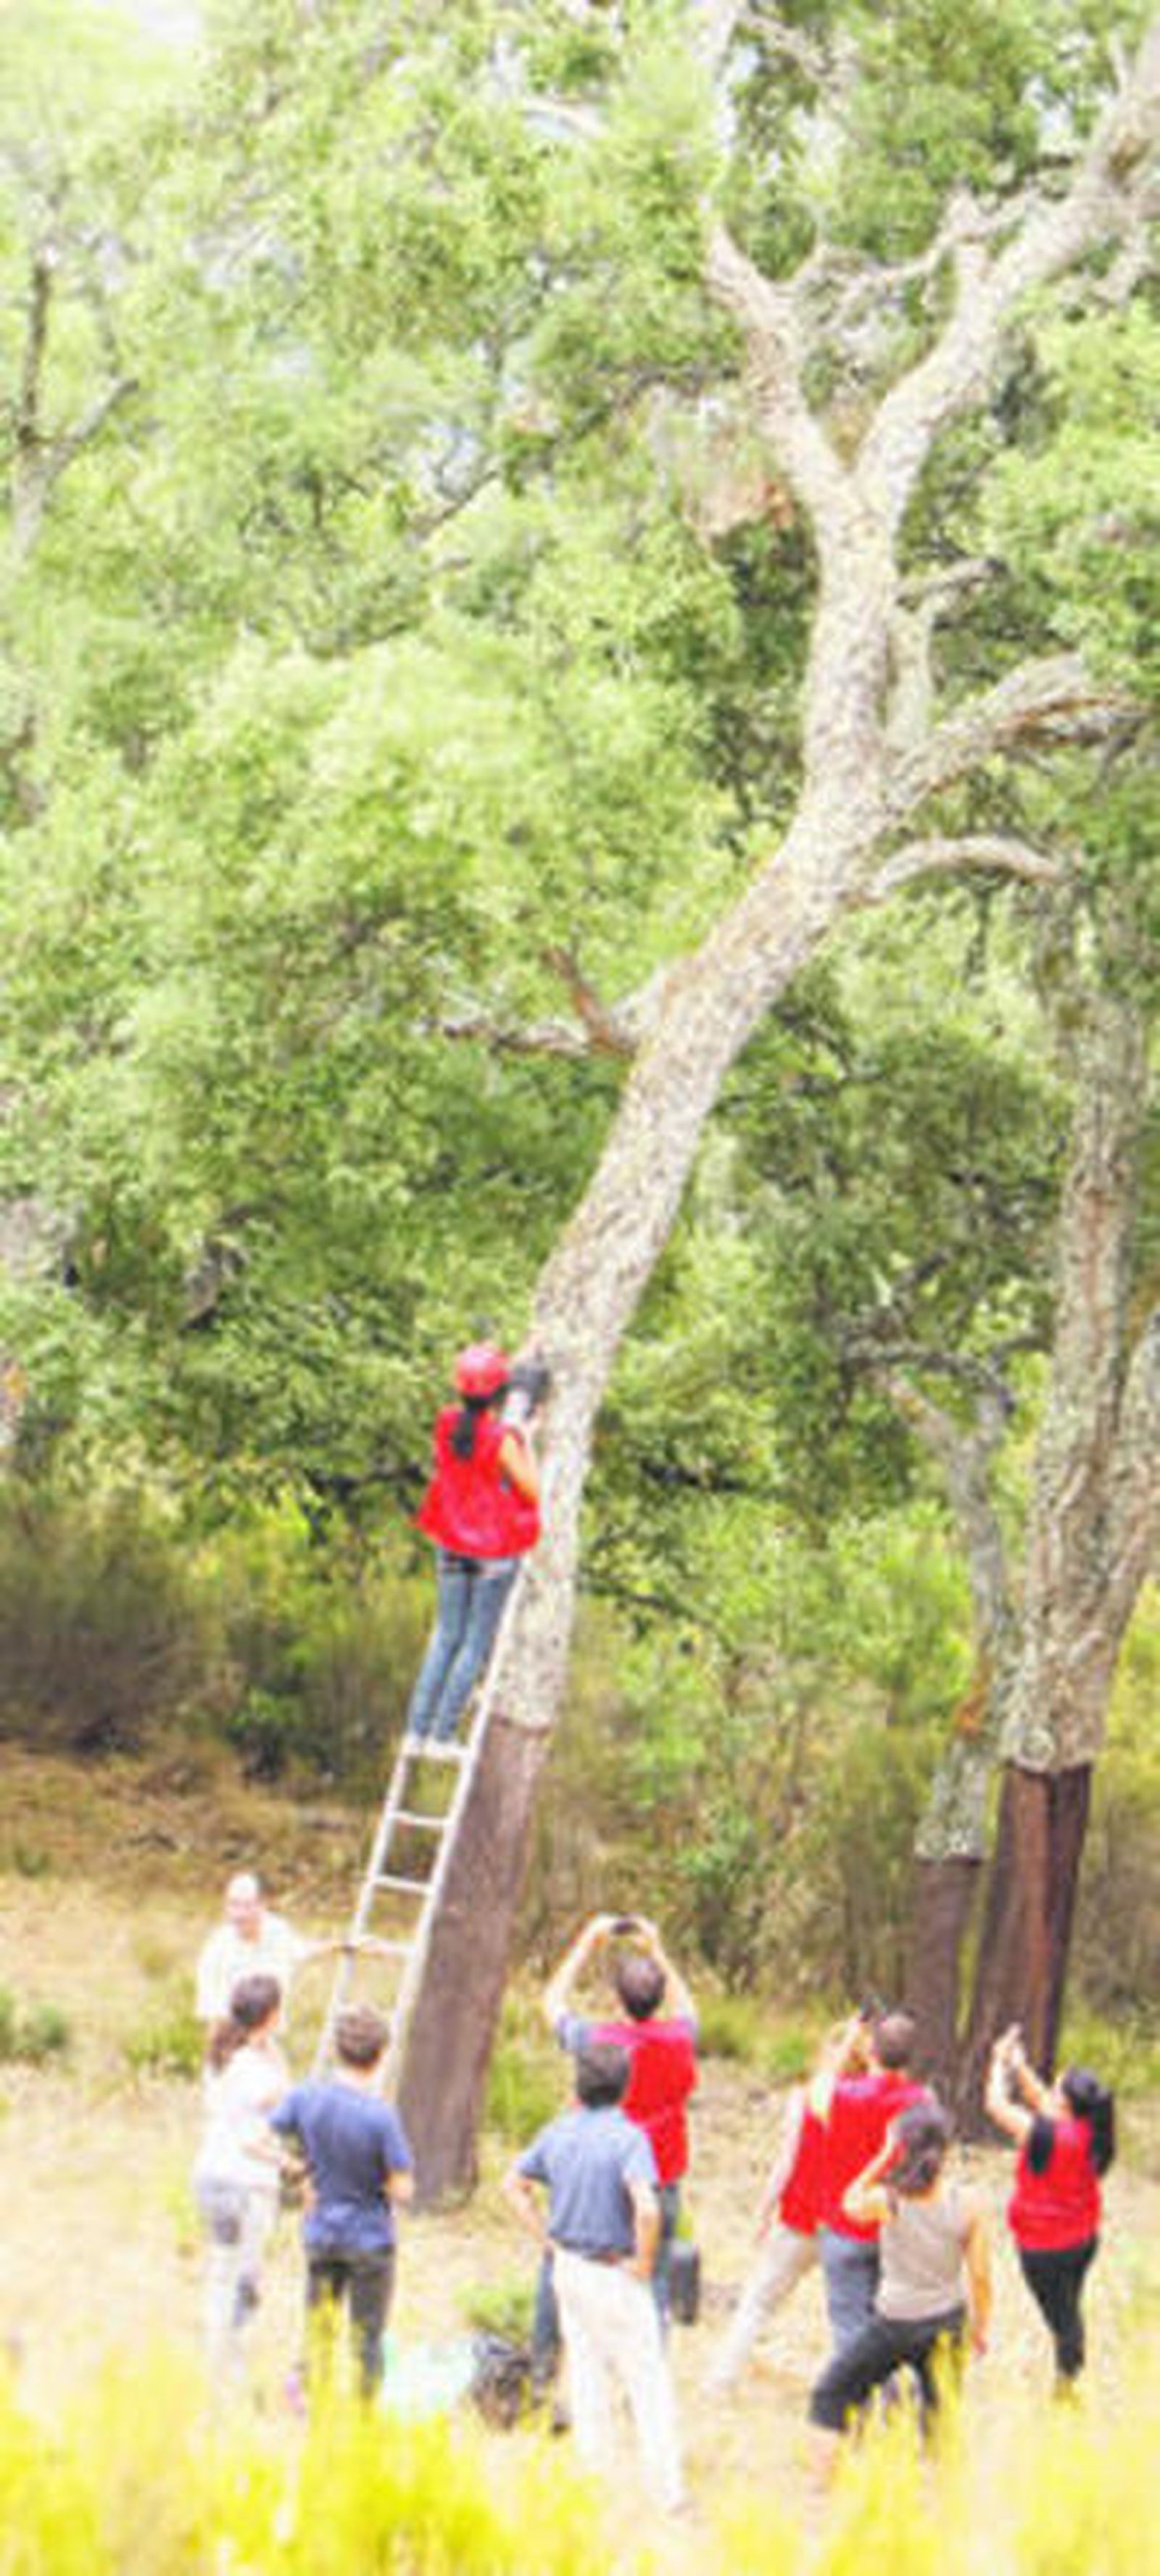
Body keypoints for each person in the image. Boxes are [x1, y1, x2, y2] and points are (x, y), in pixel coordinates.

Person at [503, 2041, 686, 2514]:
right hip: (613, 2269)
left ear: (577, 2085)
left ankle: (594, 2483)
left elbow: (514, 2185)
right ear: (625, 2088)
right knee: (647, 2381)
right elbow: (646, 2207)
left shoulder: (557, 2132)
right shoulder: (629, 2138)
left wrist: (545, 2236)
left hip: (568, 2267)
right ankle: (668, 2495)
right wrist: (644, 2262)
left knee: (586, 2375)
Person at [808, 2101, 991, 2472]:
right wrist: (980, 2327)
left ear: (902, 2148)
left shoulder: (887, 2199)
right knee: (941, 2420)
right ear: (947, 2149)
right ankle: (941, 2501)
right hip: (946, 2321)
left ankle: (821, 2487)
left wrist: (880, 2159)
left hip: (894, 2321)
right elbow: (981, 2277)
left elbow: (848, 2204)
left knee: (831, 2394)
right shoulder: (969, 2203)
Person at [544, 1912, 698, 2335]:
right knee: (655, 2285)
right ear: (659, 1998)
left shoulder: (599, 2041)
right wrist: (658, 1952)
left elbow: (552, 2004)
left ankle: (546, 2368)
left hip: (601, 2177)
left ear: (617, 1998)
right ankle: (648, 2377)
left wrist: (586, 1944)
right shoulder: (681, 2039)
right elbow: (689, 2009)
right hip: (660, 2178)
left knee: (568, 2266)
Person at [705, 2011, 873, 2395]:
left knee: (758, 2303)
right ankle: (857, 2389)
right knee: (853, 2316)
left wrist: (764, 2211)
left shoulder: (805, 2098)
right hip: (848, 2222)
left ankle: (720, 2380)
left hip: (800, 2215)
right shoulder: (873, 2102)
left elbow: (786, 2160)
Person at [269, 2002, 414, 2398]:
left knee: (319, 2327)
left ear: (337, 2050)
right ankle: (364, 2416)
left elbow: (258, 2135)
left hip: (321, 2233)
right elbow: (403, 2189)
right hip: (368, 2239)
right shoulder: (380, 2117)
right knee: (367, 2338)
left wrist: (295, 2168)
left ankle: (314, 2404)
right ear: (380, 2056)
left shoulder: (306, 2097)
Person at [405, 1342, 541, 1747]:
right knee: (474, 1644)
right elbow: (531, 1491)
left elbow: (469, 1440)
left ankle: (417, 1731)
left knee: (446, 1637)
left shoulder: (445, 1424)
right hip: (491, 1553)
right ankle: (443, 1734)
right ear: (500, 1394)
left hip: (450, 1543)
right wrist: (524, 1443)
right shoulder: (502, 1441)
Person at [985, 2024, 1114, 2389]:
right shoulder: (1092, 2130)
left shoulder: (1046, 2135)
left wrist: (997, 2064)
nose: (1050, 2090)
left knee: (1063, 2319)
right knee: (1068, 2306)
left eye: (1058, 2088)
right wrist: (1019, 2064)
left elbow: (996, 2105)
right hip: (1081, 2239)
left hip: (1044, 2248)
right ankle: (1068, 2366)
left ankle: (1067, 2380)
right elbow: (1042, 2098)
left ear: (1067, 2104)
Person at [814, 2008, 930, 2358]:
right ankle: (894, 2399)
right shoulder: (922, 2102)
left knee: (848, 2323)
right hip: (896, 2227)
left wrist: (849, 2039)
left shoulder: (845, 2094)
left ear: (872, 2053)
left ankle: (857, 2401)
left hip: (845, 2223)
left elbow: (818, 2091)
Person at [192, 1971, 288, 2387]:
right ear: (270, 2016)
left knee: (222, 2271)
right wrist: (290, 2165)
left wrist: (269, 2044)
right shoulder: (255, 2071)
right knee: (244, 2280)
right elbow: (255, 2137)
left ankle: (218, 2358)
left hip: (211, 2174)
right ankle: (228, 2371)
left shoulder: (224, 2051)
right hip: (246, 2182)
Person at [194, 1871, 387, 2028]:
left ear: (263, 1905)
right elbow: (214, 2017)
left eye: (247, 1905)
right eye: (233, 1905)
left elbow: (304, 1950)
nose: (239, 1914)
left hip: (269, 2036)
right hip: (232, 2044)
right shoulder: (216, 1949)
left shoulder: (277, 1931)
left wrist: (347, 1945)